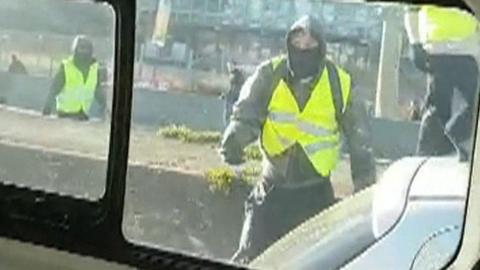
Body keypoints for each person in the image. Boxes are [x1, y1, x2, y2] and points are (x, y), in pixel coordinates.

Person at [219, 15, 376, 263]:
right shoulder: (269, 73)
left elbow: (361, 141)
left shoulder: (340, 83)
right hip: (271, 190)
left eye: (310, 45)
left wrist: (365, 191)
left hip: (315, 197)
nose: (303, 50)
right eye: (298, 44)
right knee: (249, 259)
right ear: (288, 45)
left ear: (321, 48)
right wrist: (235, 137)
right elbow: (248, 112)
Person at [404, 5, 480, 161]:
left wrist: (415, 43)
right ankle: (456, 133)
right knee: (471, 104)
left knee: (438, 104)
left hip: (435, 44)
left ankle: (427, 152)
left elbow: (411, 9)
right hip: (465, 45)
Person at [42, 35, 107, 121]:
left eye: (86, 49)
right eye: (81, 49)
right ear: (74, 50)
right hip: (64, 115)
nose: (83, 52)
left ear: (91, 51)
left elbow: (97, 89)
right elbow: (54, 89)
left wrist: (104, 105)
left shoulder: (94, 69)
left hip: (83, 115)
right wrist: (47, 108)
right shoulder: (66, 66)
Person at [222, 61, 245, 126]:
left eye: (230, 66)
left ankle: (229, 126)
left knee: (230, 112)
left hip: (235, 96)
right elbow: (231, 87)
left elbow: (237, 87)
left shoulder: (237, 75)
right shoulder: (232, 74)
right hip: (232, 96)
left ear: (234, 65)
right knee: (228, 112)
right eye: (228, 66)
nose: (229, 67)